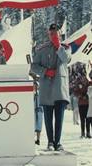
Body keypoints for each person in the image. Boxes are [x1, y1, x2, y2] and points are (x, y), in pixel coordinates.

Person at [30, 23, 72, 151]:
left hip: (60, 87)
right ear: (48, 34)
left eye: (56, 32)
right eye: (51, 33)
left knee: (59, 118)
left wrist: (58, 46)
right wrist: (45, 71)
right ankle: (50, 142)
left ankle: (58, 142)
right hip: (47, 86)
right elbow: (33, 66)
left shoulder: (66, 48)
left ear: (60, 33)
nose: (53, 35)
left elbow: (66, 59)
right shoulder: (42, 49)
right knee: (48, 117)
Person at [34, 81, 43, 145]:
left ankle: (38, 139)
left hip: (39, 110)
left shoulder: (40, 94)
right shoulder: (32, 94)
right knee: (33, 124)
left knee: (39, 125)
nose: (35, 87)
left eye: (36, 86)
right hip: (33, 110)